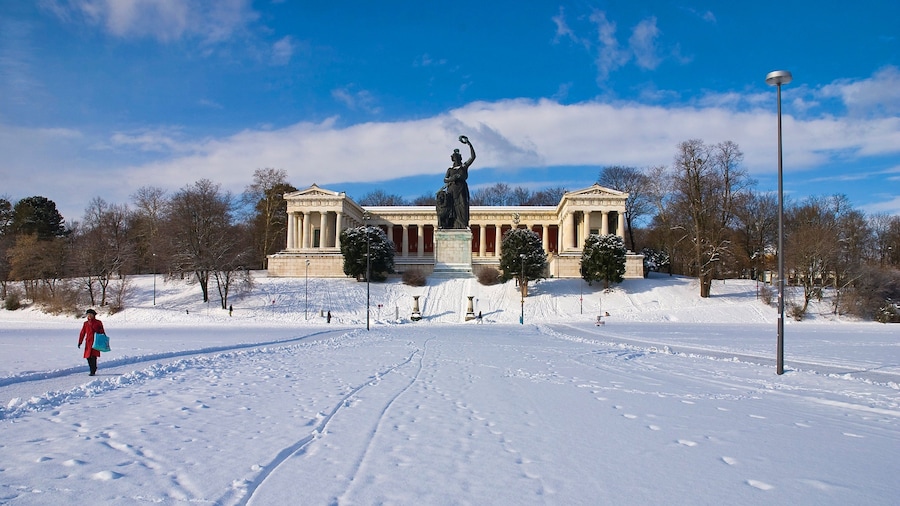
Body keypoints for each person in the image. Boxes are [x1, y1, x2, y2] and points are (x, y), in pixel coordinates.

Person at [443, 135, 476, 229]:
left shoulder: (464, 167)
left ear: (460, 159)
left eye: (458, 158)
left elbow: (473, 157)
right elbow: (445, 179)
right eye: (455, 158)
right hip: (451, 191)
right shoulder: (450, 169)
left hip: (461, 190)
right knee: (451, 209)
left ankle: (463, 225)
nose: (456, 159)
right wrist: (452, 178)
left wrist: (469, 144)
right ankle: (451, 225)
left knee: (463, 207)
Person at [77, 309, 105, 376]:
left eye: (90, 314)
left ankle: (93, 370)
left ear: (94, 315)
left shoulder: (98, 322)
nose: (89, 316)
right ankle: (92, 368)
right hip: (88, 342)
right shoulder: (85, 323)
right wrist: (80, 342)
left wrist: (102, 339)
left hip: (96, 341)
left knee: (94, 356)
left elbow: (102, 331)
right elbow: (82, 333)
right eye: (88, 314)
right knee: (88, 356)